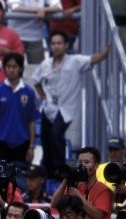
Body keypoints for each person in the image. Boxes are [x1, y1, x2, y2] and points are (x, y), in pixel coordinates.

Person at [32, 31, 110, 178]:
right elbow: (36, 81)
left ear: (66, 45)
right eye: (53, 43)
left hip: (65, 108)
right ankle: (48, 170)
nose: (56, 46)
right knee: (45, 138)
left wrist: (105, 53)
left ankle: (60, 167)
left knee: (56, 134)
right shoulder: (46, 64)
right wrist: (43, 96)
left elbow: (92, 59)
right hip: (48, 107)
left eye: (59, 43)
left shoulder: (75, 61)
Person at [50, 146, 114, 219]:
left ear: (96, 166)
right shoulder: (74, 185)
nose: (82, 165)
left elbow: (97, 216)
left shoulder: (104, 190)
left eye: (87, 162)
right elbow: (54, 204)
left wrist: (79, 197)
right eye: (80, 162)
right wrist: (66, 179)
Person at [6, 0, 61, 64]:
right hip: (15, 35)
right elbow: (15, 7)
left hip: (36, 36)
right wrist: (38, 10)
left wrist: (44, 10)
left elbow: (58, 6)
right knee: (14, 68)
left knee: (38, 70)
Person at [0, 52, 39, 164]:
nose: (11, 70)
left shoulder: (29, 92)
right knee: (2, 179)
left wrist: (31, 146)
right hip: (1, 142)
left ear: (20, 68)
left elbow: (32, 121)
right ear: (4, 68)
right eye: (8, 66)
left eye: (14, 66)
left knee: (21, 179)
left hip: (23, 143)